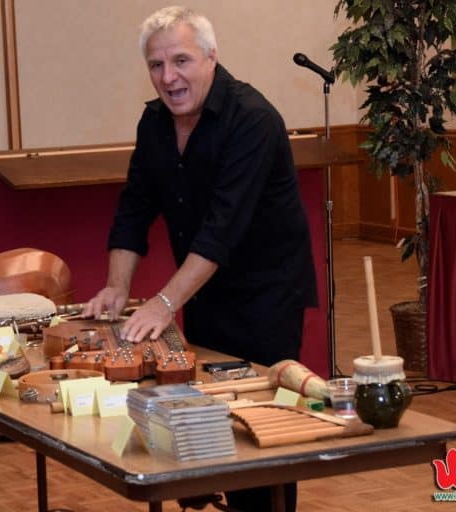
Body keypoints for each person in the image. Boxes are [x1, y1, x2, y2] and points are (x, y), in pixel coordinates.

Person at [84, 6, 317, 512]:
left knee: (259, 440)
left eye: (181, 61)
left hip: (266, 299)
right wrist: (117, 286)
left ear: (212, 57)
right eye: (156, 65)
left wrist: (164, 302)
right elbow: (133, 210)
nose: (169, 77)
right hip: (206, 293)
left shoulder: (252, 119)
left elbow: (220, 232)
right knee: (208, 424)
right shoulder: (154, 122)